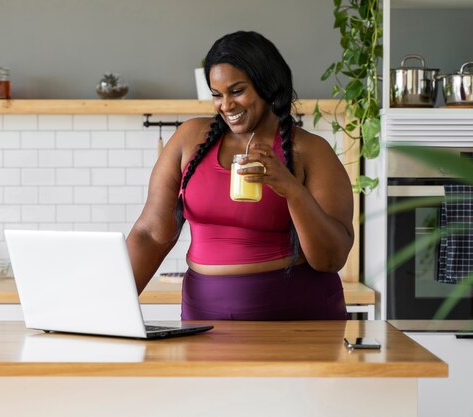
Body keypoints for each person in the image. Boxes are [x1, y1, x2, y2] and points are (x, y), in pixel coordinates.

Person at [126, 31, 354, 320]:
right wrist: (102, 308)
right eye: (216, 95)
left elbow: (330, 258)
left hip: (296, 320)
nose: (226, 105)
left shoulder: (310, 151)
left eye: (236, 91)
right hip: (204, 320)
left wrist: (292, 190)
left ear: (268, 85)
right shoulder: (189, 138)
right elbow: (150, 234)